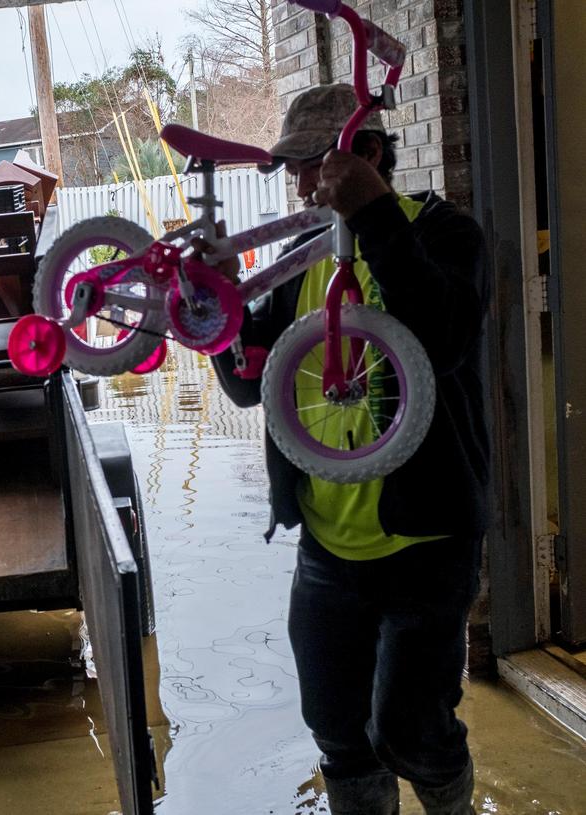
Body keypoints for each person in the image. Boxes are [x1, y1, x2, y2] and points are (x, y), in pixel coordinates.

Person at [209, 84, 490, 815]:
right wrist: (216, 307)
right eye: (294, 169)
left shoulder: (444, 236)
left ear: (366, 153)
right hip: (329, 550)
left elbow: (445, 332)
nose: (301, 185)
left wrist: (370, 216)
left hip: (426, 541)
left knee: (411, 728)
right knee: (337, 730)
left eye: (312, 165)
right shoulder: (305, 262)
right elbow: (251, 385)